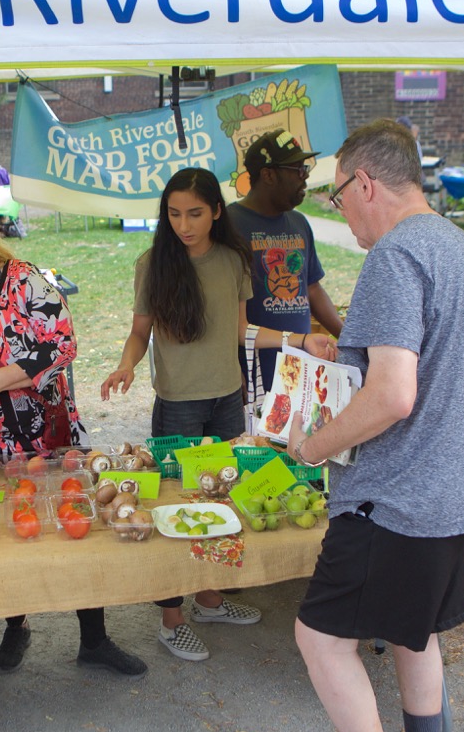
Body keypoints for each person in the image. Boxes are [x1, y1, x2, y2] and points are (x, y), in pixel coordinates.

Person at [282, 119, 464, 732]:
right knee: (414, 633)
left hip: (399, 497)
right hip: (459, 493)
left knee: (319, 639)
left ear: (366, 183)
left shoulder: (396, 254)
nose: (340, 211)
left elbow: (394, 394)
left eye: (337, 195)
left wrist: (310, 447)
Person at [101, 168, 335, 663]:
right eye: (174, 213)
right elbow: (140, 333)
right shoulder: (153, 263)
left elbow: (241, 331)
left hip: (229, 397)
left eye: (195, 213)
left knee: (223, 500)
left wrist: (301, 340)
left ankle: (208, 598)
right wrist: (126, 364)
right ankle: (171, 618)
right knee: (173, 506)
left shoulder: (232, 260)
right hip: (179, 407)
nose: (183, 224)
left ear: (215, 213)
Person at [0, 199, 146, 677]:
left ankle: (94, 638)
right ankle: (16, 625)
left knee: (76, 529)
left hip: (48, 438)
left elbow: (63, 344)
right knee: (4, 534)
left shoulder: (23, 280)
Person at [228, 129, 344, 393]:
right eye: (298, 170)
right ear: (268, 174)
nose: (305, 177)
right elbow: (220, 313)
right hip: (253, 373)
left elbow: (312, 287)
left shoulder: (299, 223)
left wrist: (347, 337)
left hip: (300, 368)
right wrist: (231, 372)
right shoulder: (230, 225)